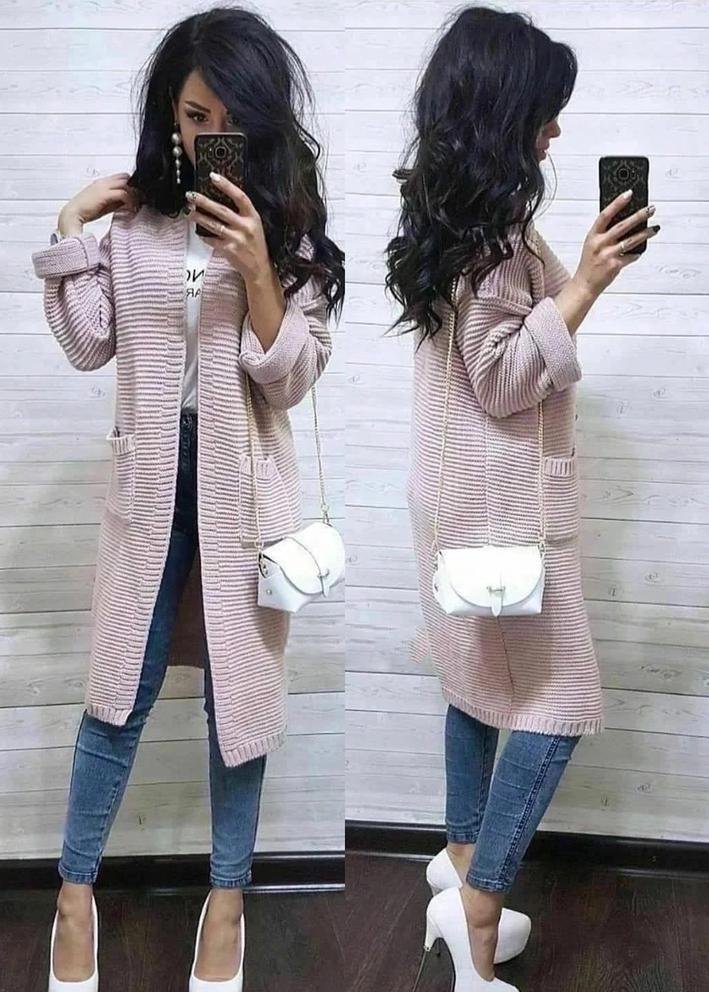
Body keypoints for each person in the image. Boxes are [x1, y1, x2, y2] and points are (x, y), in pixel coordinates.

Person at [31, 6, 343, 990]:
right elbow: (90, 344)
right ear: (169, 110)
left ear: (260, 116)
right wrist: (72, 230)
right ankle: (72, 895)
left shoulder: (288, 231)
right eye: (193, 113)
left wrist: (257, 269)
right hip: (147, 486)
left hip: (244, 494)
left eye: (228, 117)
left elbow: (289, 381)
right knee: (116, 694)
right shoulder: (137, 224)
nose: (209, 133)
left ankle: (228, 898)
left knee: (234, 705)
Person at [384, 6, 659, 991]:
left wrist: (572, 277)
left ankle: (458, 860)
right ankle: (478, 906)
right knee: (559, 702)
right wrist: (586, 282)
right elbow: (501, 376)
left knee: (472, 683)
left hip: (454, 504)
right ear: (505, 112)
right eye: (545, 110)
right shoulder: (494, 239)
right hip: (497, 512)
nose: (555, 130)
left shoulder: (449, 217)